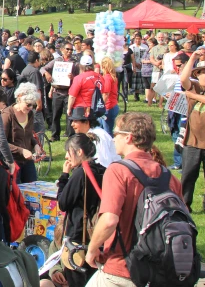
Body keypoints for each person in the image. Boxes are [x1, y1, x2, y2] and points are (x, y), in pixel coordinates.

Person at [85, 113, 183, 286]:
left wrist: (92, 250)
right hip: (161, 269)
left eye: (115, 134)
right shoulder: (169, 177)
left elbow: (109, 220)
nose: (113, 139)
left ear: (128, 137)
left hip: (122, 268)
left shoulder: (118, 171)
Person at [56, 133, 106, 287]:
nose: (66, 156)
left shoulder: (80, 174)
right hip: (98, 235)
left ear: (79, 152)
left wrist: (64, 177)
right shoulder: (103, 170)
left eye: (68, 151)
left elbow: (63, 203)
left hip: (79, 237)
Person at [179, 53, 205, 218]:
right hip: (192, 141)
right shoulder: (193, 86)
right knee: (188, 174)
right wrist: (192, 58)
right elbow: (183, 79)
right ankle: (184, 204)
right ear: (197, 75)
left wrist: (192, 96)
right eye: (204, 71)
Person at [2, 82, 42, 183]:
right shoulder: (7, 115)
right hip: (12, 161)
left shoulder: (30, 114)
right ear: (19, 98)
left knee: (32, 189)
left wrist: (35, 144)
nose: (30, 108)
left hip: (27, 161)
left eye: (33, 105)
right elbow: (2, 142)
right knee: (17, 193)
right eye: (28, 104)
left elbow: (28, 134)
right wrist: (21, 151)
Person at [41, 41, 80, 141]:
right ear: (62, 50)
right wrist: (47, 74)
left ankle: (70, 135)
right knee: (56, 114)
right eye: (67, 49)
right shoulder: (57, 61)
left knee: (69, 114)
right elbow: (42, 68)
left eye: (71, 49)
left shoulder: (75, 63)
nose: (69, 51)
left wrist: (73, 77)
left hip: (69, 92)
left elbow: (80, 77)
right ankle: (55, 135)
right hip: (57, 91)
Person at [99, 57, 120, 136]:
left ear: (103, 67)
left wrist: (101, 106)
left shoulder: (107, 78)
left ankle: (110, 147)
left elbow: (106, 94)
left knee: (107, 132)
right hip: (113, 105)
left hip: (108, 107)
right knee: (100, 128)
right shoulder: (113, 77)